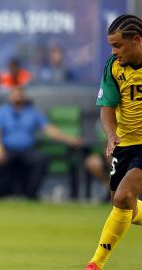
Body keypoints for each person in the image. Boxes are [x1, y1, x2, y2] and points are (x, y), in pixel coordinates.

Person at [85, 14, 142, 270]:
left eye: (118, 45)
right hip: (125, 143)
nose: (113, 51)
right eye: (111, 45)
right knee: (121, 205)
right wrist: (111, 136)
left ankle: (95, 264)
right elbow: (107, 108)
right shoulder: (113, 67)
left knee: (123, 196)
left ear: (137, 40)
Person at [0, 87, 81, 199]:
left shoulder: (33, 112)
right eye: (14, 94)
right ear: (9, 96)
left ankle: (31, 194)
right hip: (7, 149)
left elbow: (49, 130)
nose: (17, 96)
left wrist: (70, 139)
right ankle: (1, 194)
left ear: (24, 96)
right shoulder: (1, 112)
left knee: (41, 159)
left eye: (20, 94)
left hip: (27, 149)